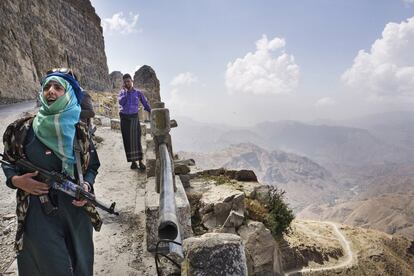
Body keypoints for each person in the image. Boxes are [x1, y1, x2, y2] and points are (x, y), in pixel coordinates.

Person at [1, 68, 101, 276]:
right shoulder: (22, 130)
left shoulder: (79, 132)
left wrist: (86, 185)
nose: (51, 91)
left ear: (69, 95)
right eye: (47, 87)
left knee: (81, 263)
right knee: (49, 266)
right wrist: (17, 181)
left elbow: (92, 166)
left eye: (58, 87)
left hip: (76, 210)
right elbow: (8, 162)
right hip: (38, 212)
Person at [118, 73, 151, 170]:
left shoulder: (138, 93)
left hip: (134, 118)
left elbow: (145, 103)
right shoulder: (122, 93)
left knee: (136, 140)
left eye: (128, 81)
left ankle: (140, 162)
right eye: (125, 82)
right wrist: (126, 92)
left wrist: (151, 111)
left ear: (132, 81)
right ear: (123, 83)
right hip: (124, 118)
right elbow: (121, 102)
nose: (127, 83)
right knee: (127, 140)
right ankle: (133, 162)